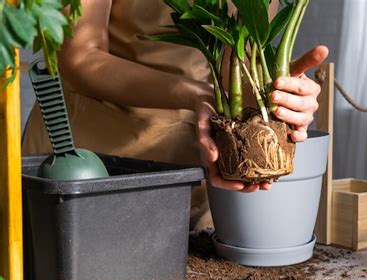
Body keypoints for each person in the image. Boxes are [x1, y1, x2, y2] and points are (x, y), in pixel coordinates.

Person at [22, 0, 329, 229]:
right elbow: (80, 57)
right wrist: (196, 94)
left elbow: (234, 66)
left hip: (190, 168)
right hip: (88, 164)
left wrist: (281, 94)